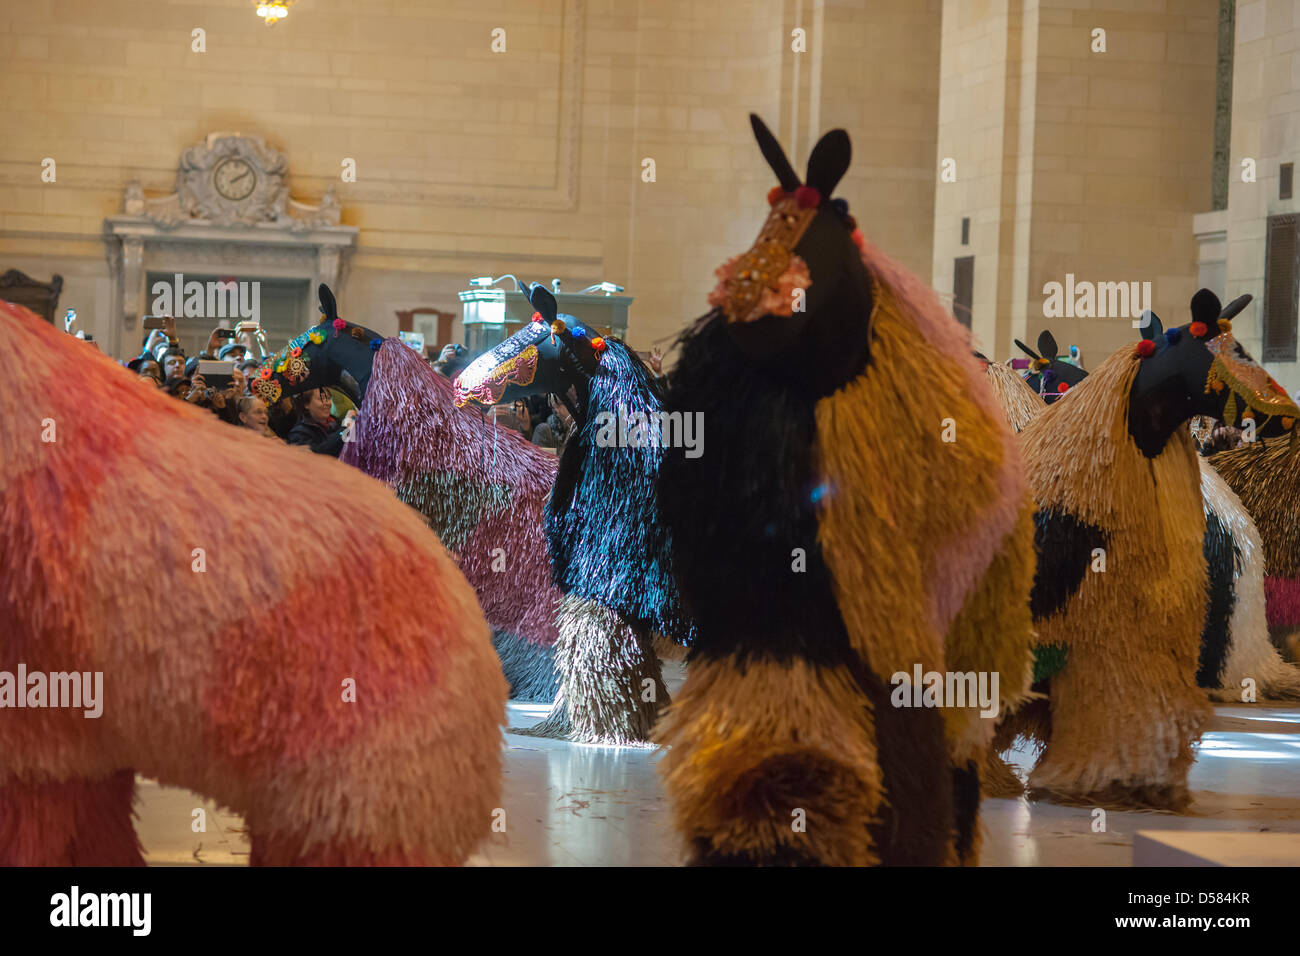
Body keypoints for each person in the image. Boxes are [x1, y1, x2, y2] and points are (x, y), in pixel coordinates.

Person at [288, 387, 355, 456]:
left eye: (328, 398)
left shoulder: (335, 422)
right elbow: (318, 455)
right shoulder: (298, 434)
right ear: (306, 404)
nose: (327, 403)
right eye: (321, 398)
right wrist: (344, 429)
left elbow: (350, 445)